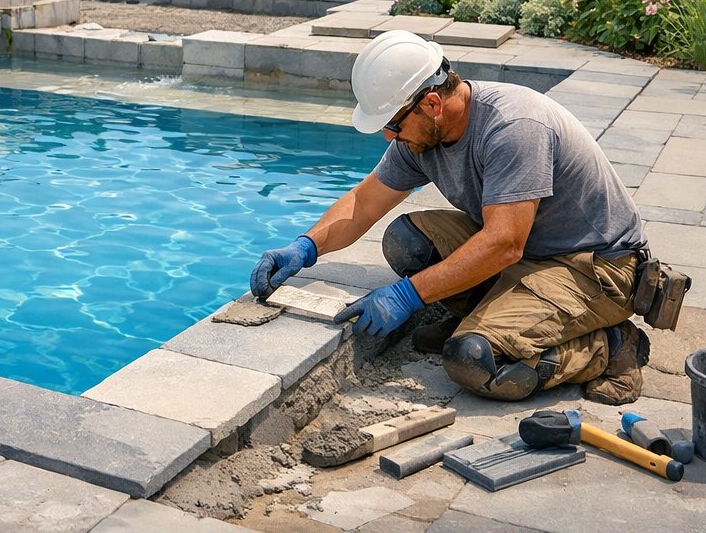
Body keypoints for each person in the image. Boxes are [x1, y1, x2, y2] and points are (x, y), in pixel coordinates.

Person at [249, 30, 651, 404]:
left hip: (597, 268)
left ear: (432, 103)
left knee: (473, 360)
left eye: (392, 125)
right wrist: (305, 246)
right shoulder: (422, 132)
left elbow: (504, 243)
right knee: (407, 240)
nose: (389, 137)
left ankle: (610, 344)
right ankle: (488, 315)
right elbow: (364, 202)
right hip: (530, 251)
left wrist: (410, 295)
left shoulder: (513, 127)